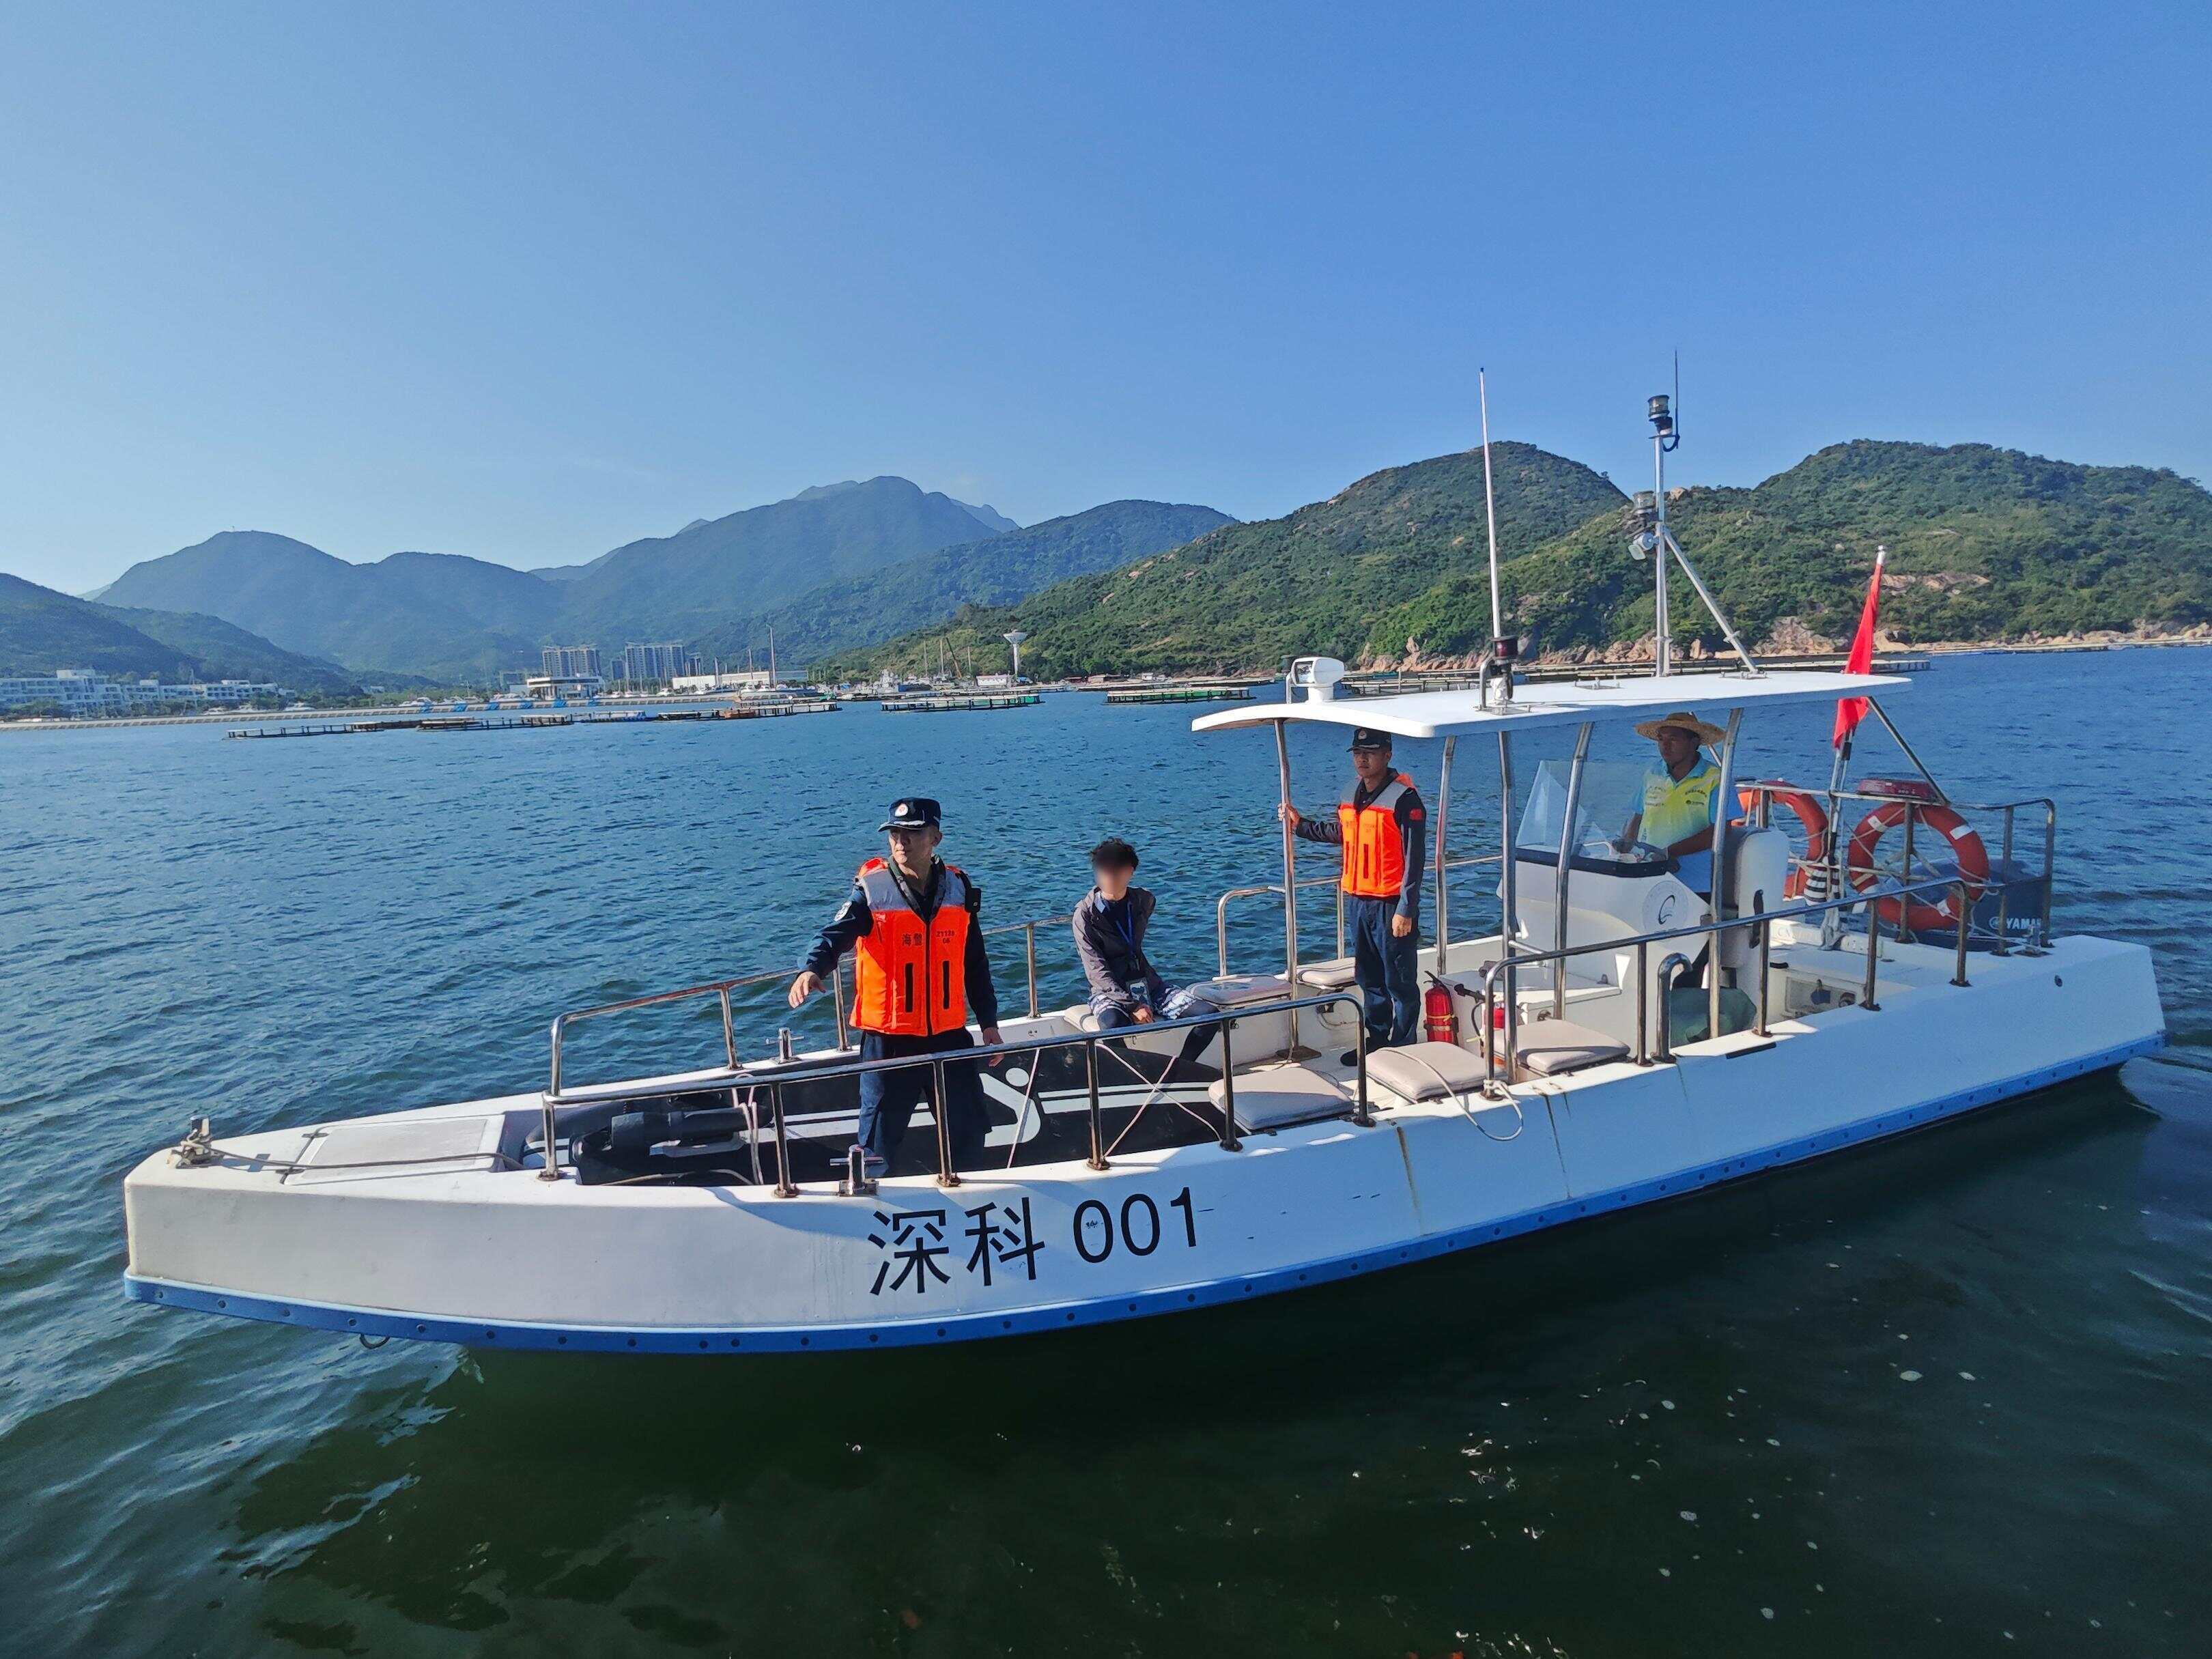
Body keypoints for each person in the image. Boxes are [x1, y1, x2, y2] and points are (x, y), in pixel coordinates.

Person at [789, 797, 1001, 1178]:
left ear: (935, 837)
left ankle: (969, 1196)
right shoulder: (871, 890)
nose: (901, 841)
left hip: (948, 1036)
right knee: (876, 1145)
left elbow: (975, 962)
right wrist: (812, 969)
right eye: (895, 834)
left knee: (968, 1132)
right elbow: (833, 935)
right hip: (889, 1042)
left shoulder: (960, 889)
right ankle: (875, 1205)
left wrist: (988, 1022)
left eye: (912, 833)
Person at [1279, 728, 1424, 1062]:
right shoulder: (1350, 793)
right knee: (1369, 977)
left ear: (1387, 755)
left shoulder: (1405, 799)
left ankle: (1404, 1047)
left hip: (1391, 903)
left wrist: (1406, 907)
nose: (1362, 759)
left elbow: (1415, 858)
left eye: (1370, 752)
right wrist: (1300, 825)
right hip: (1359, 901)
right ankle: (1377, 1040)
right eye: (1358, 752)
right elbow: (1342, 833)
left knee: (1399, 980)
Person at [1615, 710, 1731, 987]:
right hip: (1652, 878)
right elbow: (1637, 818)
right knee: (1650, 955)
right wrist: (1626, 850)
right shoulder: (1651, 774)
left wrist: (1669, 853)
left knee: (1689, 961)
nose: (1665, 746)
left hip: (1696, 884)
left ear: (1694, 742)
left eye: (1674, 739)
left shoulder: (1715, 778)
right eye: (1661, 739)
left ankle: (1684, 1009)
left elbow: (1720, 831)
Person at [1072, 837, 1213, 1030]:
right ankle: (1119, 1053)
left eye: (1116, 870)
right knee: (1113, 1024)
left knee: (1209, 1016)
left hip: (1148, 983)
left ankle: (1181, 1053)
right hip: (1108, 991)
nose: (1110, 876)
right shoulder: (1085, 915)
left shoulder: (1143, 900)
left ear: (1130, 872)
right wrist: (1133, 1006)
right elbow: (1096, 971)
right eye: (1104, 870)